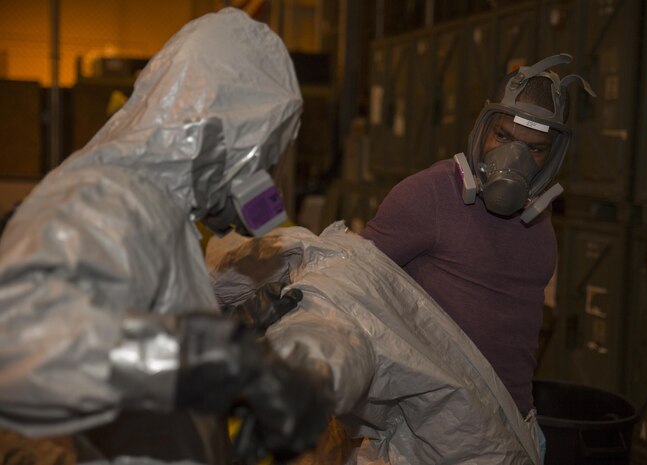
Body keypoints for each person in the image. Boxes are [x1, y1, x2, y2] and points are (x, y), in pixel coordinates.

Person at [0, 8, 332, 465]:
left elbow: (128, 336)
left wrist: (230, 334)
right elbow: (23, 344)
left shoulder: (163, 209)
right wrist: (223, 363)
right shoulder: (111, 196)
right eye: (262, 158)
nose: (262, 183)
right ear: (224, 134)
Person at [360, 53, 596, 462]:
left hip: (511, 433)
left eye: (535, 149)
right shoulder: (427, 196)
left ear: (553, 157)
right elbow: (353, 289)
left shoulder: (539, 225)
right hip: (427, 441)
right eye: (503, 138)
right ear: (482, 128)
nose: (515, 160)